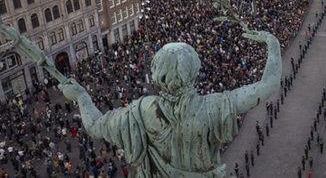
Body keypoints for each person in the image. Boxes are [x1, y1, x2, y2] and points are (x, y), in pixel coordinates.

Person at [59, 31, 281, 178]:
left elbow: (94, 125)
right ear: (195, 70)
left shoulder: (140, 111)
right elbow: (268, 84)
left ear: (156, 74)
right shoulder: (214, 106)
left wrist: (81, 96)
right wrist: (273, 44)